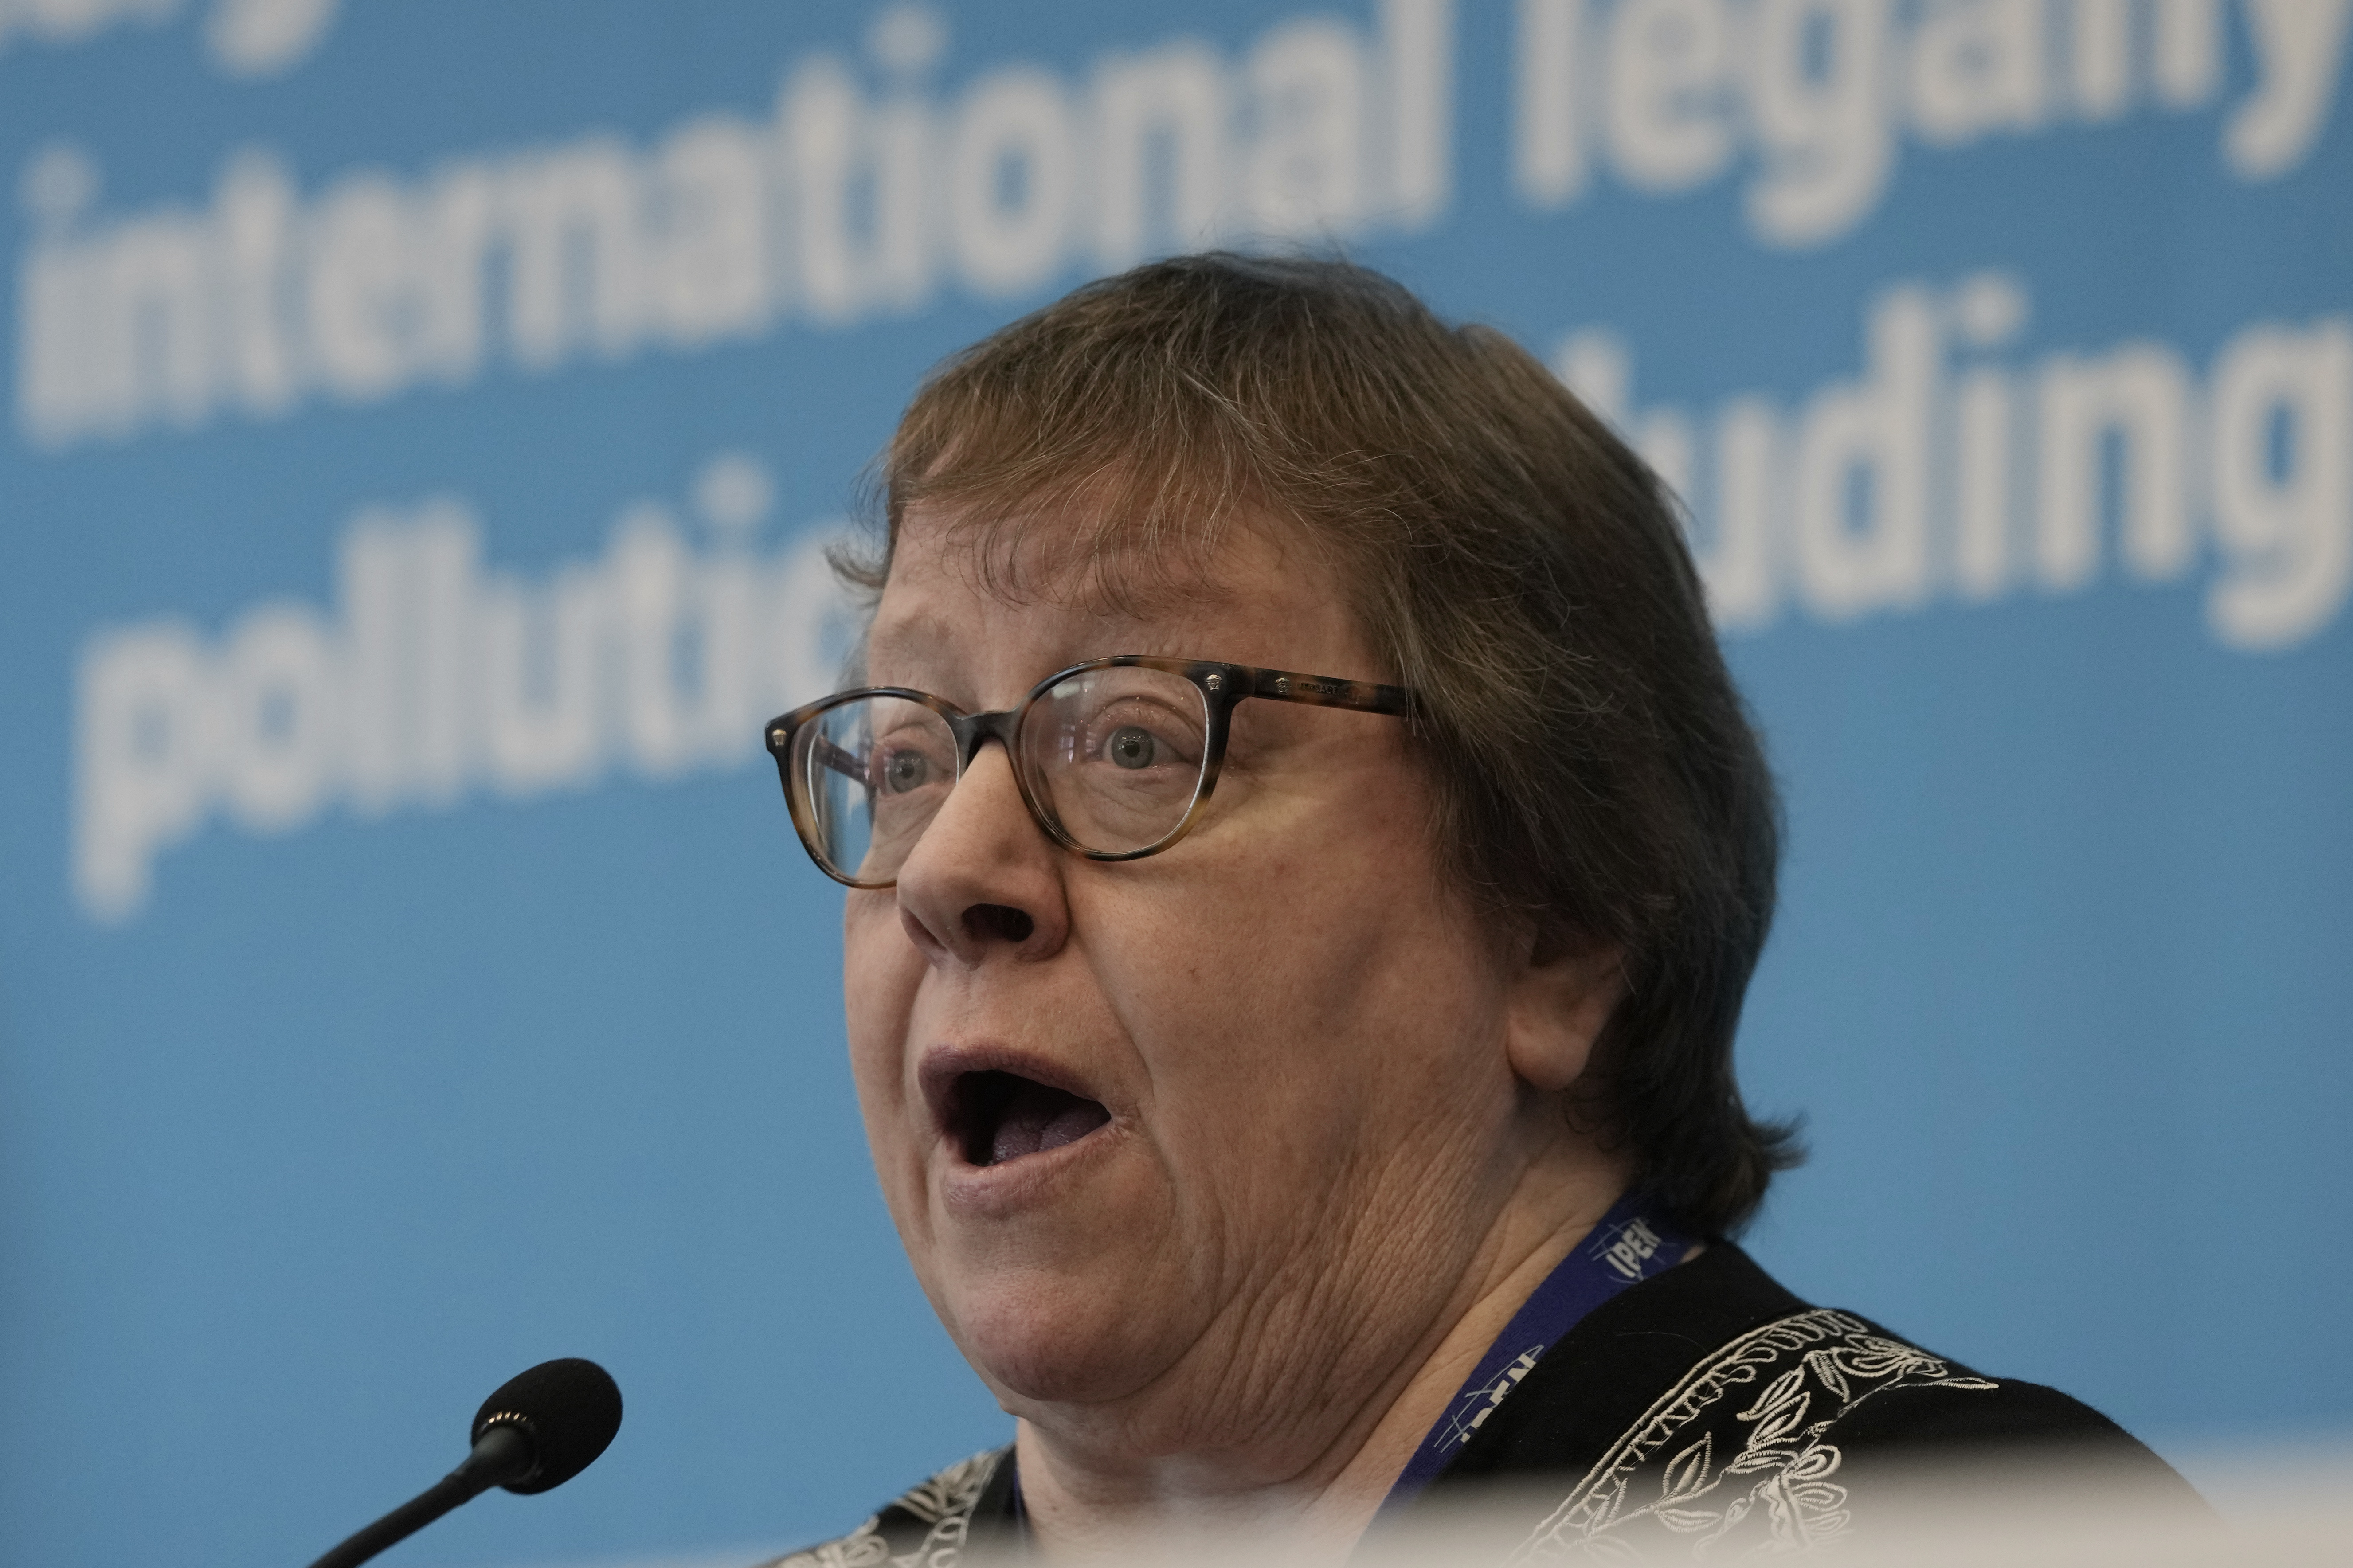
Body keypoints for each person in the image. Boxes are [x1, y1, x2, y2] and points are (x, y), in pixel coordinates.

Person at [755, 255, 2194, 1565]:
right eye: (906, 760)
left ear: (1554, 922)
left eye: (1136, 742)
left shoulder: (1964, 1530)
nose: (948, 871)